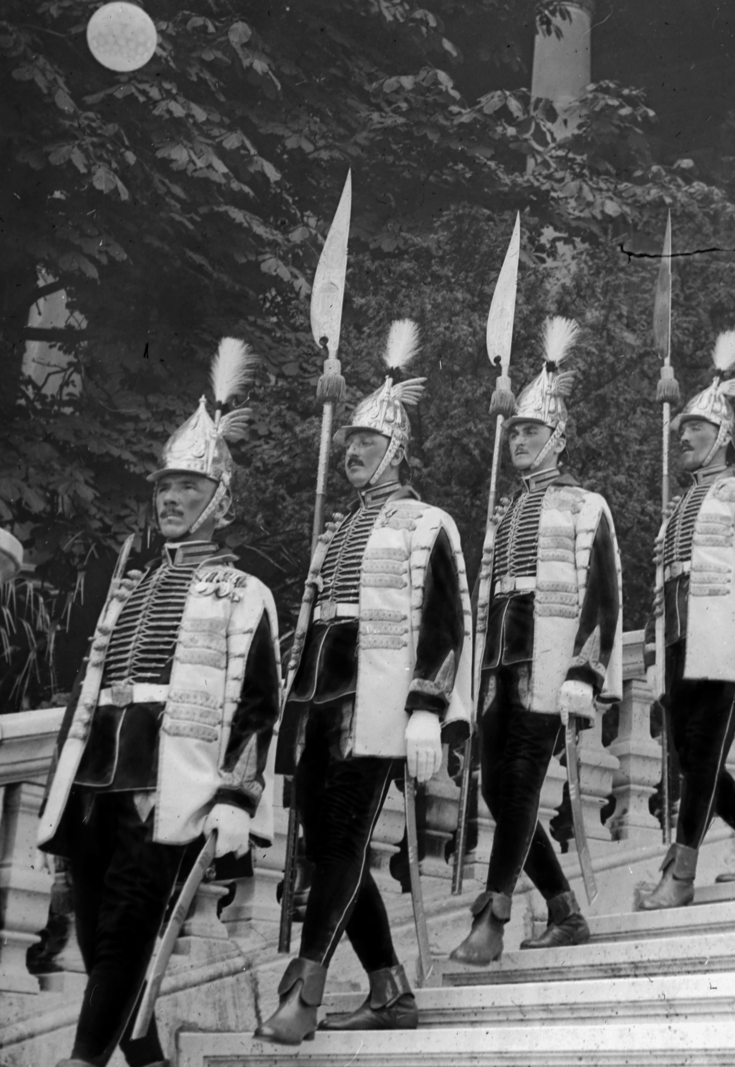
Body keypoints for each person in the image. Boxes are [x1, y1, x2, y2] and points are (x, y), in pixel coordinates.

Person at [36, 340, 280, 1067]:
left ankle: (83, 1060)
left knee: (125, 933)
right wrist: (60, 779)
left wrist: (237, 797)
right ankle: (145, 1058)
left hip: (170, 783)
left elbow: (260, 706)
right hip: (94, 782)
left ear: (219, 499)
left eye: (187, 488)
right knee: (93, 931)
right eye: (163, 488)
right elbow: (89, 687)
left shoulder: (246, 594)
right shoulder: (132, 581)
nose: (169, 499)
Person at [256, 321, 472, 1043]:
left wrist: (426, 709)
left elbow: (445, 624)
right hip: (318, 706)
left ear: (398, 451)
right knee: (327, 851)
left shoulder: (425, 522)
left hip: (375, 709)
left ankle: (305, 991)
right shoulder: (333, 533)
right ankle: (389, 987)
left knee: (344, 842)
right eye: (348, 442)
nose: (351, 451)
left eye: (367, 444)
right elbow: (314, 628)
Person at [448, 318, 622, 963]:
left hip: (548, 669)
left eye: (532, 430)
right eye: (515, 431)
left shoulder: (585, 506)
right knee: (498, 790)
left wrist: (585, 671)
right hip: (498, 667)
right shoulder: (506, 512)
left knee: (519, 785)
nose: (519, 439)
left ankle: (491, 915)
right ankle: (563, 908)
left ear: (559, 439)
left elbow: (603, 593)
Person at [636, 330, 735, 910]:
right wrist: (654, 655)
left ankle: (681, 874)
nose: (683, 437)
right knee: (689, 758)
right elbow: (661, 589)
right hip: (680, 647)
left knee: (700, 758)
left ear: (722, 435)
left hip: (726, 646)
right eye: (680, 432)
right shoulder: (675, 510)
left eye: (693, 430)